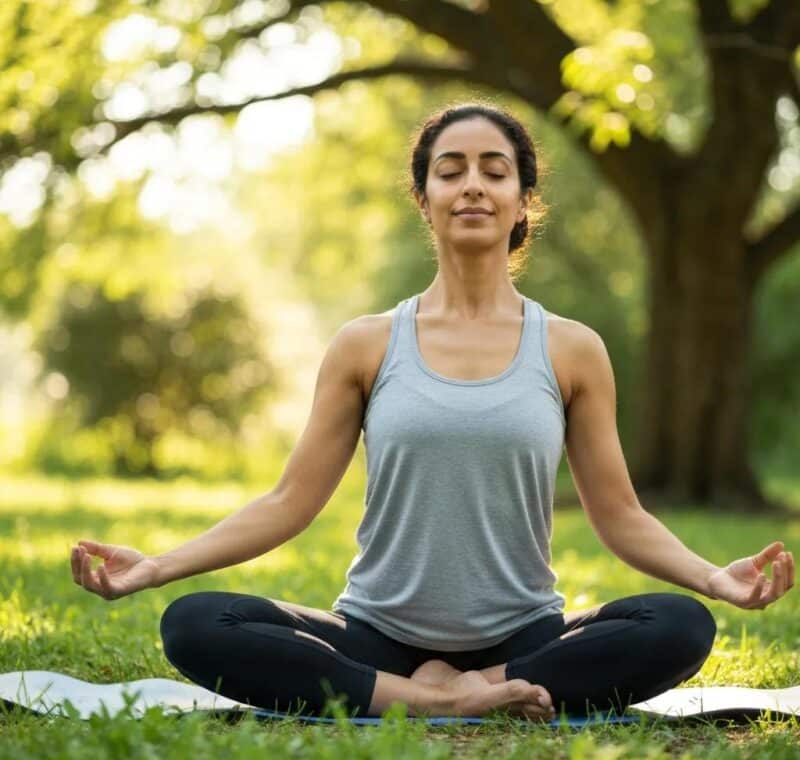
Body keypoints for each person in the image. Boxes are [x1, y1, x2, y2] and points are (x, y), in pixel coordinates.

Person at [70, 102, 795, 723]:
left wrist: (713, 580)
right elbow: (290, 501)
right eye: (450, 170)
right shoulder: (366, 344)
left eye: (493, 169)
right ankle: (428, 700)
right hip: (376, 635)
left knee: (678, 626)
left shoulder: (572, 350)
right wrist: (157, 567)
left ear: (522, 198)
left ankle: (475, 686)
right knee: (198, 624)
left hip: (524, 638)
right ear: (424, 198)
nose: (472, 185)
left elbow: (621, 516)